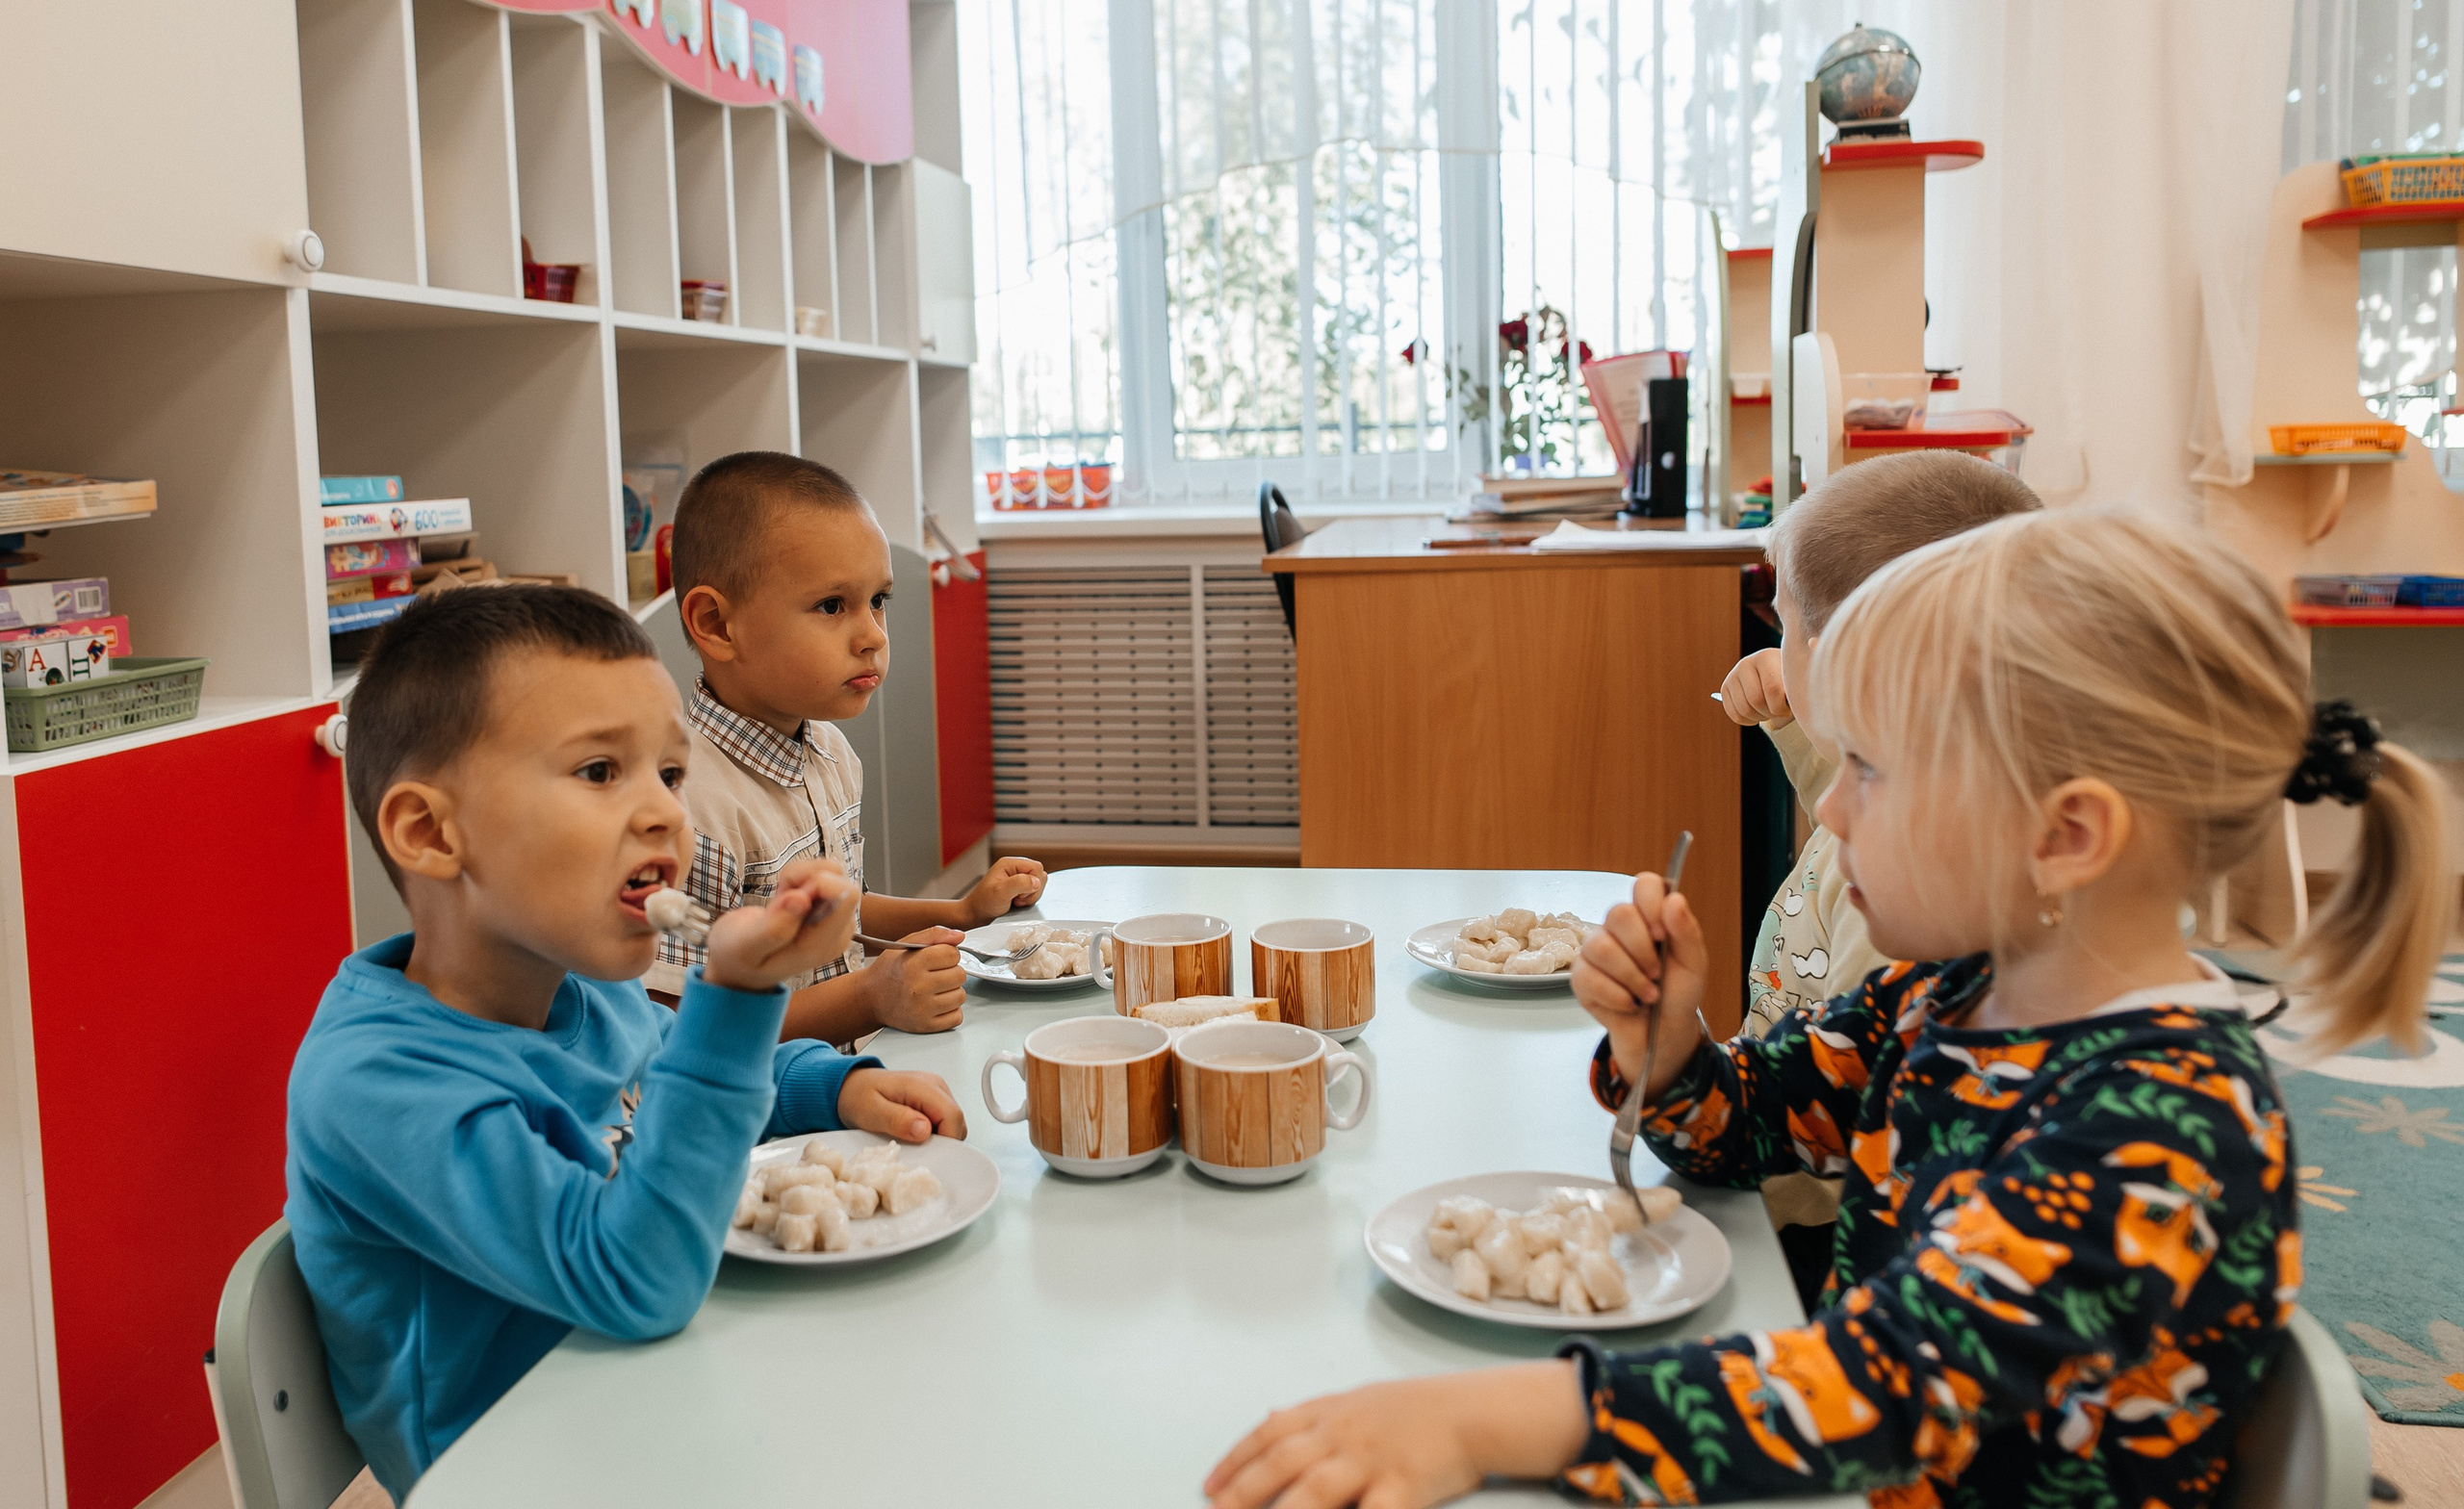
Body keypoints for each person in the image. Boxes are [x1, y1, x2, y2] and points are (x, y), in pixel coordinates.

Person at [1203, 507, 2453, 1509]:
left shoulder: (2162, 1136)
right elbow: (1750, 1131)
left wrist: (1491, 1419)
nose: (1834, 807)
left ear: (2065, 835)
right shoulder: (1951, 993)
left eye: (1869, 768)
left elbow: (1877, 1385)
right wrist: (1672, 1050)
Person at [286, 585, 967, 1500]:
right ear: (431, 832)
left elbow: (679, 1072)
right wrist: (737, 994)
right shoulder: (380, 1084)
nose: (667, 816)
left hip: (661, 1402)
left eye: (671, 775)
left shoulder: (586, 993)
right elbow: (636, 1279)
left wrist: (825, 1088)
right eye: (601, 771)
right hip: (530, 1472)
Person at [1721, 452, 2040, 1298]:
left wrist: (1731, 1201)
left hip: (1810, 1224)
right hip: (1787, 1152)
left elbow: (1851, 1121)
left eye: (1783, 628)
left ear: (1840, 659)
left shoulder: (1913, 910)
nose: (1833, 812)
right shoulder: (1922, 820)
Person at [646, 451, 1047, 1048]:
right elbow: (680, 1027)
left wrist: (961, 913)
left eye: (878, 600)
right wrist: (868, 998)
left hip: (846, 1069)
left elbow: (847, 912)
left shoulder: (829, 751)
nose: (873, 636)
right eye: (832, 606)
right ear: (717, 623)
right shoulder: (691, 810)